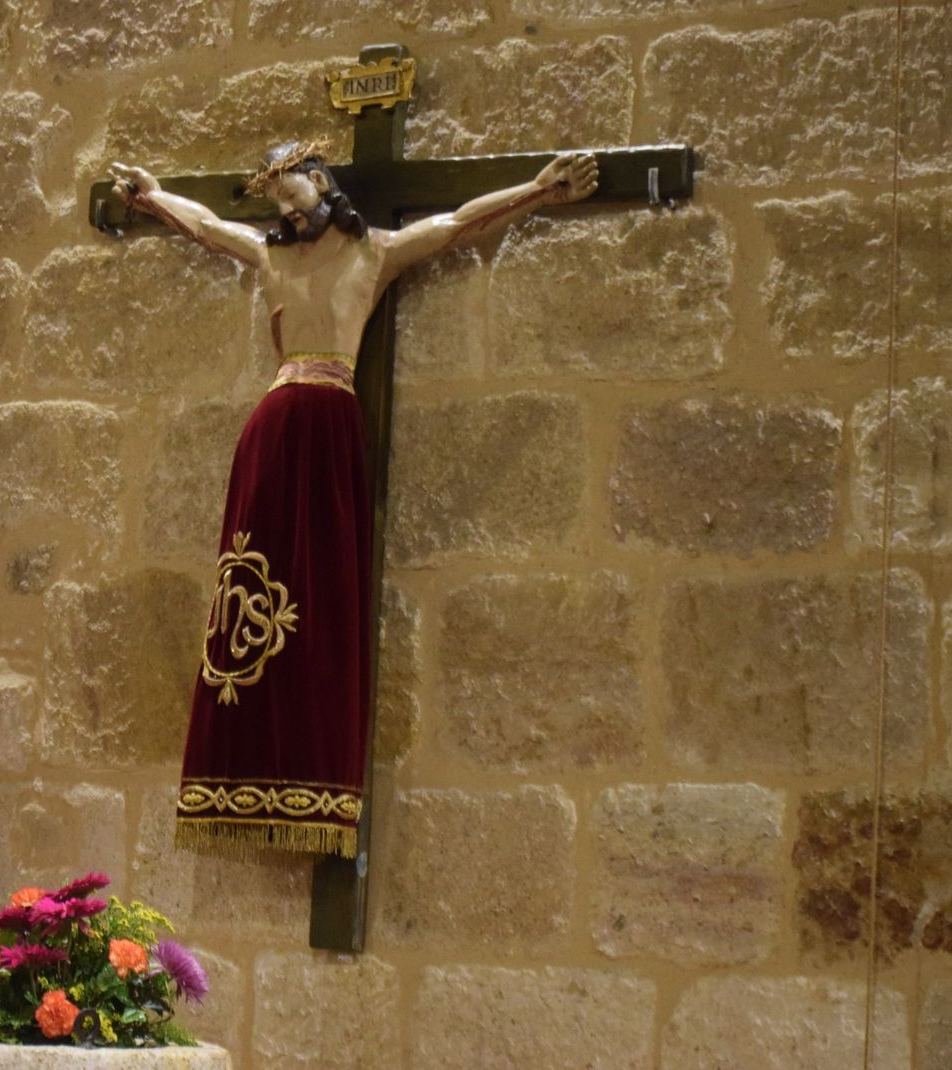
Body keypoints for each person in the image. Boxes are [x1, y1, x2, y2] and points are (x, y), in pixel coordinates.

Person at [110, 142, 598, 858]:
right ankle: (242, 758)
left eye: (291, 193)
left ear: (319, 180)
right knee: (251, 584)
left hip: (332, 422)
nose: (284, 210)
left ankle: (310, 751)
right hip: (275, 426)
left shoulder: (376, 252)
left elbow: (457, 225)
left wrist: (538, 189)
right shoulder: (271, 256)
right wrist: (152, 198)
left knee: (323, 590)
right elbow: (208, 227)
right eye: (275, 202)